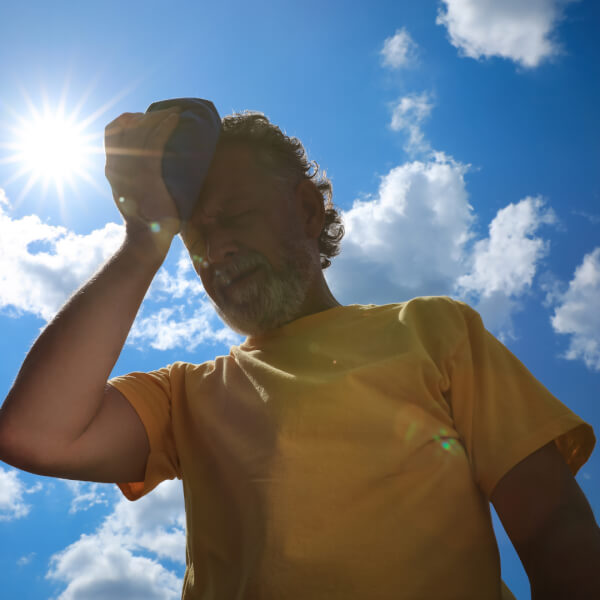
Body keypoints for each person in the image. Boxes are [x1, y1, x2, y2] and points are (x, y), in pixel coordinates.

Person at [0, 106, 599, 600]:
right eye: (195, 236)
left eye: (233, 216)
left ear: (308, 211)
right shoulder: (184, 394)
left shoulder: (433, 330)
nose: (218, 248)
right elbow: (34, 434)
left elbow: (555, 531)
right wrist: (144, 237)